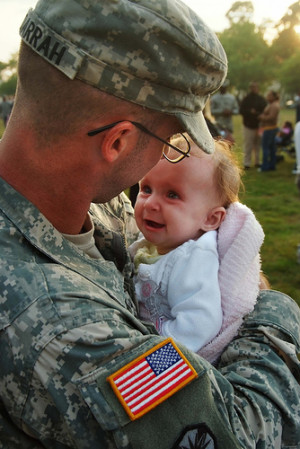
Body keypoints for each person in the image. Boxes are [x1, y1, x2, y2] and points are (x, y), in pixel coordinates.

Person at [0, 1, 299, 448]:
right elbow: (241, 431)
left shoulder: (86, 204)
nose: (165, 159)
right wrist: (276, 311)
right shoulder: (62, 327)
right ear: (118, 140)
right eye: (168, 141)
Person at [130, 136, 265, 364]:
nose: (151, 203)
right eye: (146, 189)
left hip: (176, 365)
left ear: (211, 219)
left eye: (172, 195)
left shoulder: (192, 259)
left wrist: (152, 361)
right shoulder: (155, 246)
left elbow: (199, 325)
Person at [239, 82, 267, 169]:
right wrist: (250, 112)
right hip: (248, 125)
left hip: (259, 125)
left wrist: (257, 113)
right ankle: (247, 163)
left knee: (258, 144)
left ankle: (257, 161)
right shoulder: (246, 99)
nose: (254, 89)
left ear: (257, 88)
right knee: (248, 144)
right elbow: (241, 111)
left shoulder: (261, 99)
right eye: (252, 87)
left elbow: (265, 111)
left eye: (255, 87)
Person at [258, 90, 280, 172]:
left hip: (269, 129)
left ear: (274, 97)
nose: (268, 97)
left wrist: (261, 117)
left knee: (266, 148)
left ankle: (265, 166)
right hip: (270, 128)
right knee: (272, 148)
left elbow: (272, 117)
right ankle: (271, 165)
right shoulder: (272, 105)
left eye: (270, 95)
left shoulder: (274, 106)